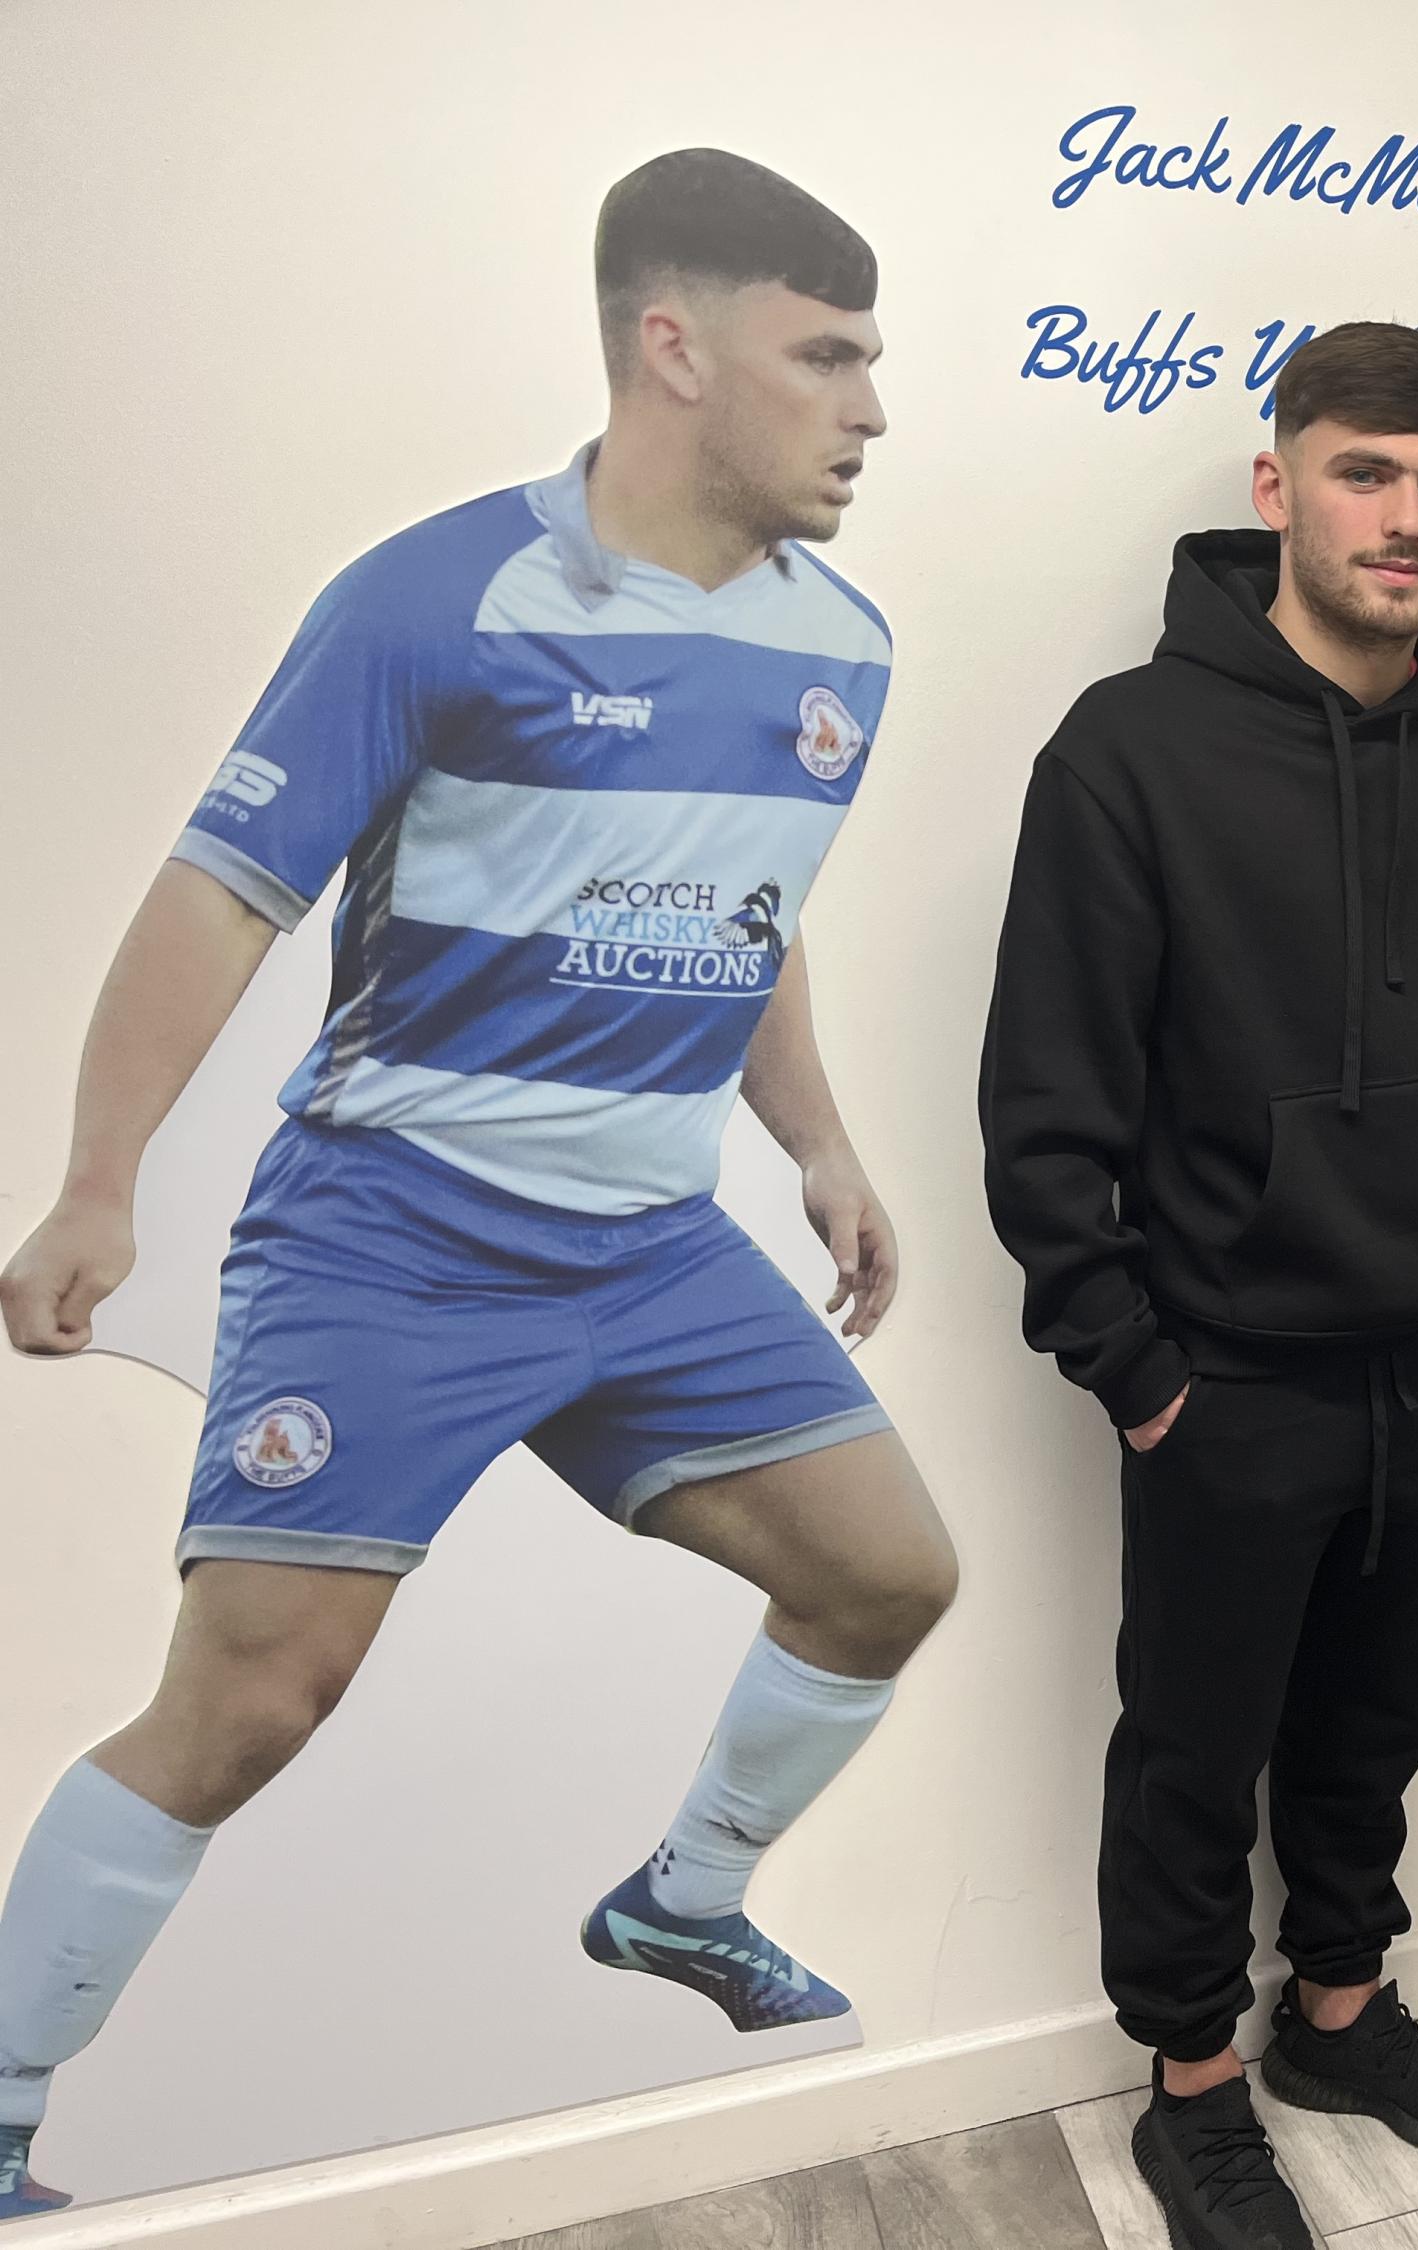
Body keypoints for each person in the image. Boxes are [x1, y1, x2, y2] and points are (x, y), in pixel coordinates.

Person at [0, 150, 959, 2221]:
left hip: (652, 1247)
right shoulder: (436, 597)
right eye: (826, 357)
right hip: (397, 1233)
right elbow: (220, 896)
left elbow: (753, 905)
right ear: (674, 348)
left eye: (871, 360)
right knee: (250, 1705)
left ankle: (682, 1902)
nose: (870, 407)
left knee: (889, 1573)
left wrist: (817, 1143)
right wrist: (96, 1185)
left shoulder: (844, 647)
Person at [981, 322, 1418, 2250]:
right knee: (1194, 1745)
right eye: (1365, 473)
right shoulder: (1128, 752)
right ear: (1280, 486)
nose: (1406, 517)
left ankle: (1337, 2010)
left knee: (1376, 1719)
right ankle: (1191, 2087)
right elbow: (1046, 1095)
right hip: (1230, 1372)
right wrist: (1134, 1359)